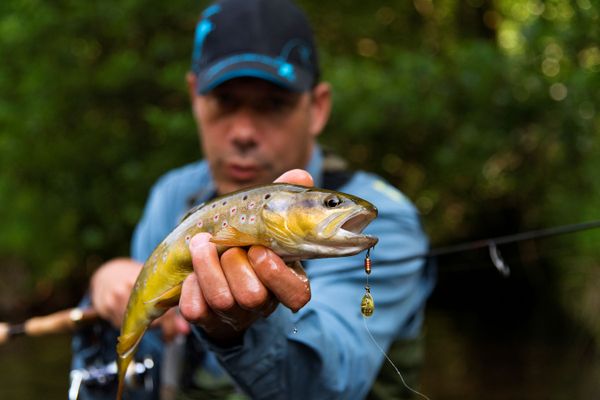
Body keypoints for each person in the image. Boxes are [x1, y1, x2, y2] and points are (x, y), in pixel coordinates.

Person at [70, 0, 435, 399]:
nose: (243, 132)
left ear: (317, 108)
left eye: (273, 104)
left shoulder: (387, 219)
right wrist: (105, 285)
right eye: (225, 102)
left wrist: (242, 329)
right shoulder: (172, 196)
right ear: (195, 97)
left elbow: (332, 383)